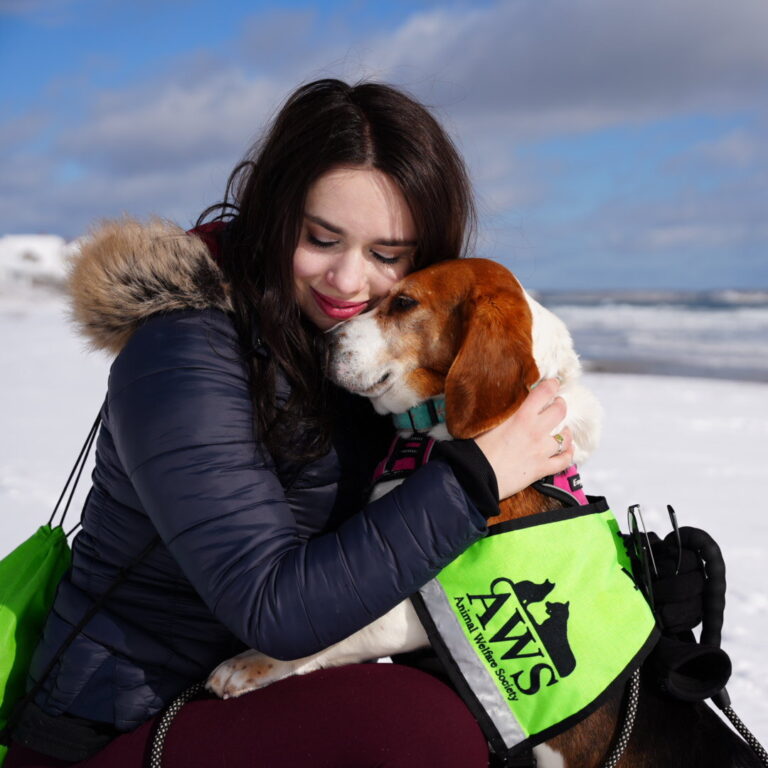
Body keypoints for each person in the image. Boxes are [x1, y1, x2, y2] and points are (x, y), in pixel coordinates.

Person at [6, 79, 574, 768]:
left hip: (255, 701)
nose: (347, 279)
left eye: (387, 254)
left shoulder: (366, 365)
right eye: (322, 239)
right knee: (422, 731)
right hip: (120, 723)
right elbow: (272, 607)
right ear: (275, 214)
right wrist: (476, 476)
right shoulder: (182, 352)